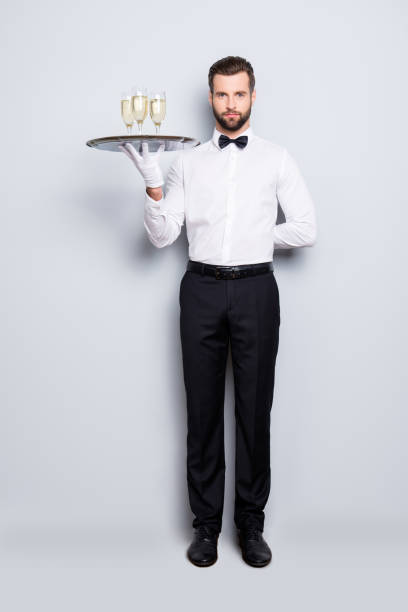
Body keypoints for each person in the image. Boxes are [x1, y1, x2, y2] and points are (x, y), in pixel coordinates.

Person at [119, 55, 317, 568]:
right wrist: (153, 184)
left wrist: (254, 240)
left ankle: (251, 526)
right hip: (201, 290)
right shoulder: (187, 160)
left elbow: (306, 228)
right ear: (211, 97)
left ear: (253, 96)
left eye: (240, 94)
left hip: (256, 290)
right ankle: (205, 529)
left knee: (254, 414)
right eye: (222, 94)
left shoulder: (276, 158)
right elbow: (163, 236)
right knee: (202, 412)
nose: (231, 104)